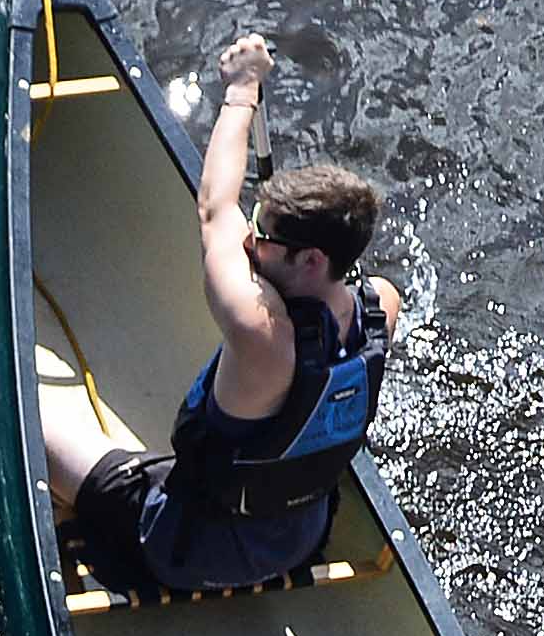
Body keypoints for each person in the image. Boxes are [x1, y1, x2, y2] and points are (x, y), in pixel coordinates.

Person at [41, 33, 406, 599]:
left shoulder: (257, 330)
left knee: (33, 416)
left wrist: (242, 89)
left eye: (262, 239)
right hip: (303, 536)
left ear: (311, 259)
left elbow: (214, 206)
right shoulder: (380, 305)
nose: (251, 244)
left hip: (184, 549)